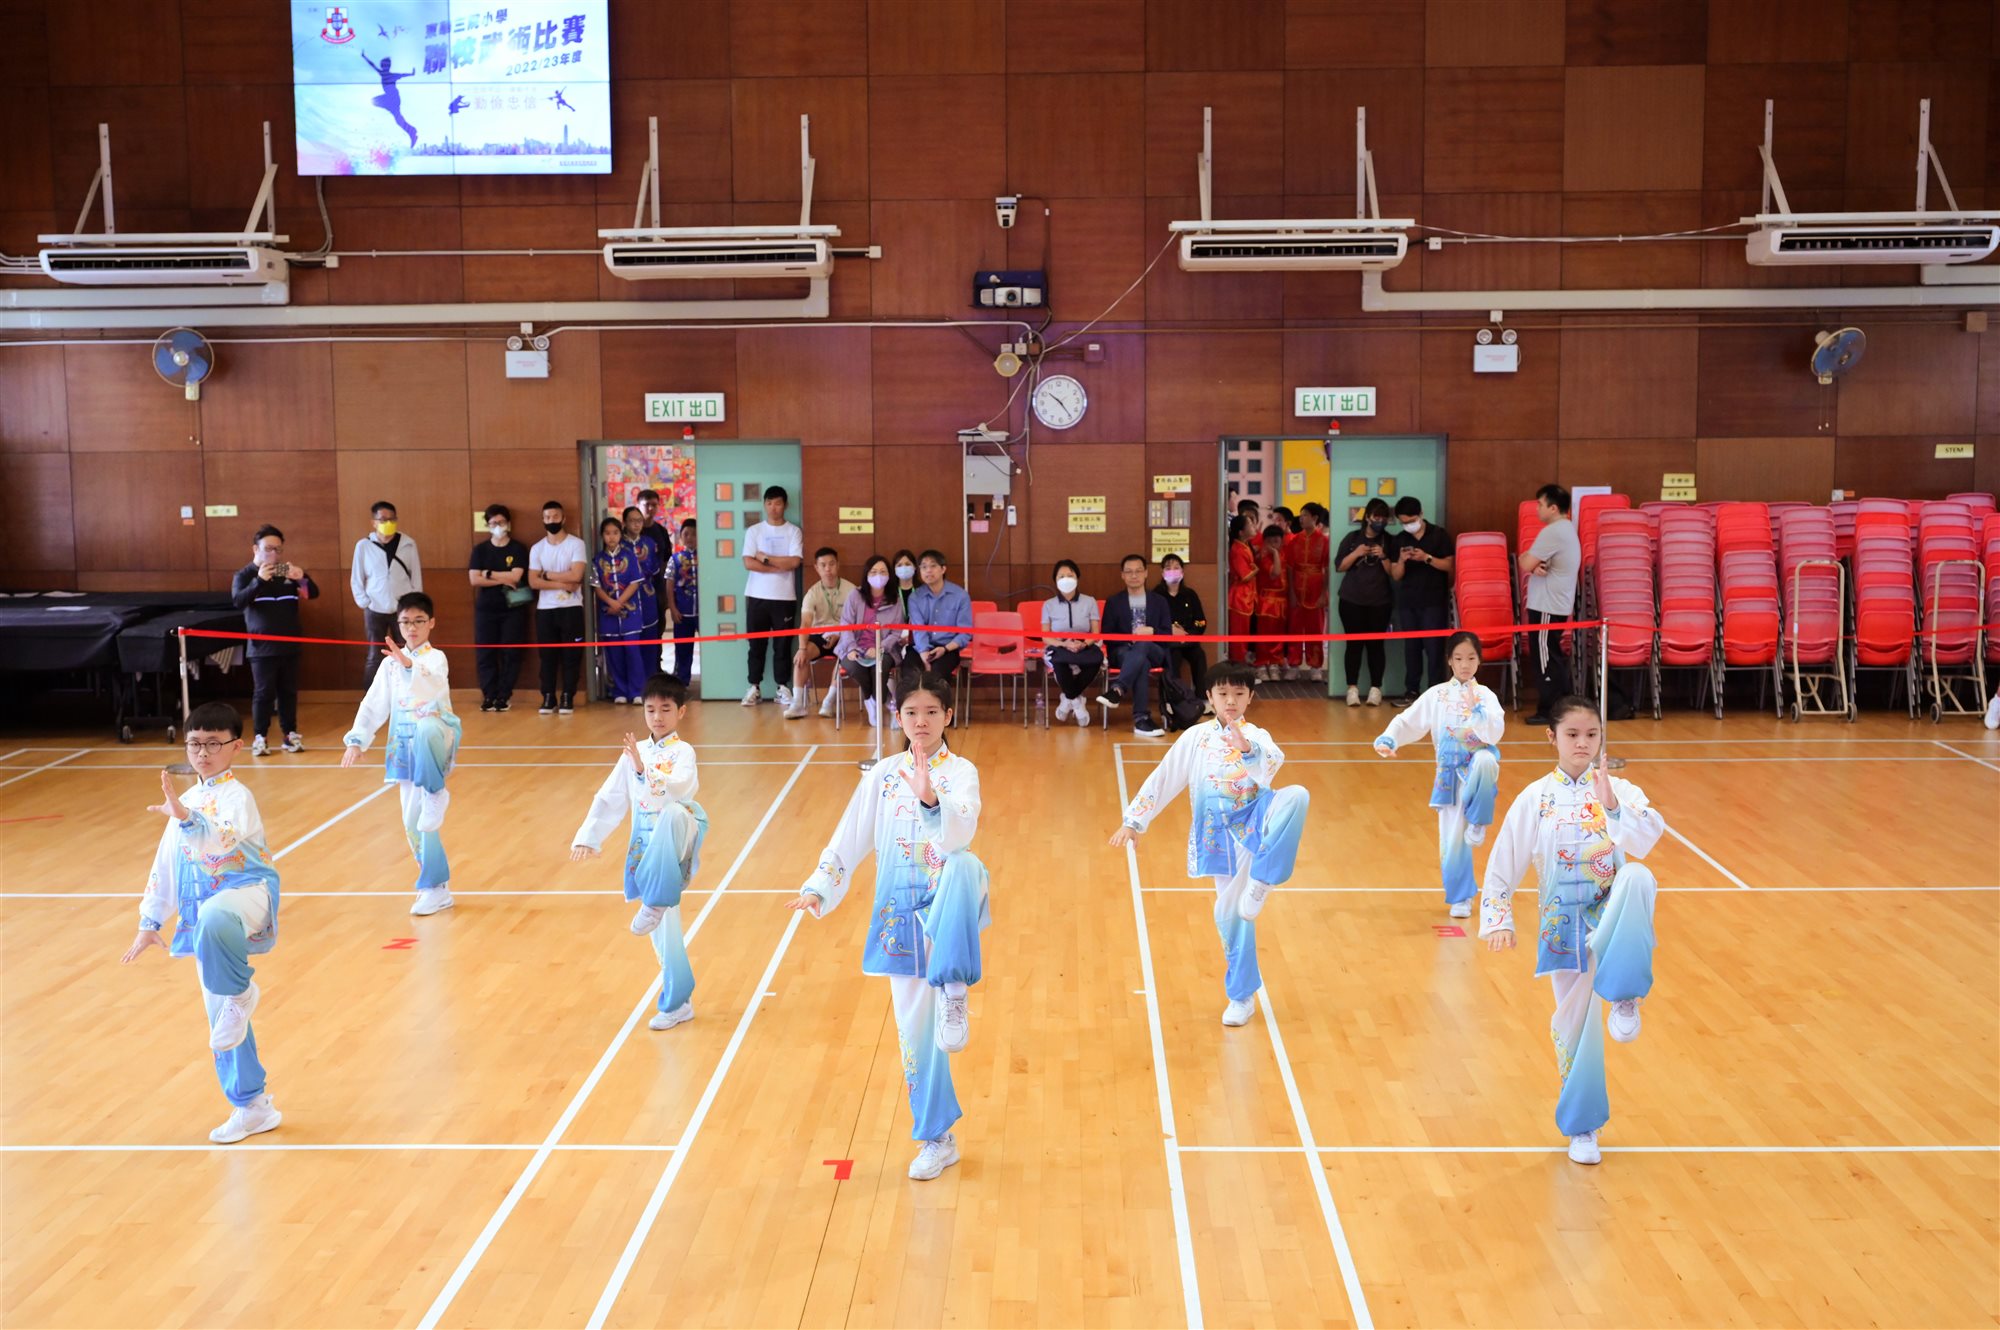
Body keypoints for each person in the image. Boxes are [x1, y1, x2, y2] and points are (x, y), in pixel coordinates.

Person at [789, 672, 992, 1181]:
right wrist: (819, 885)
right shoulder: (881, 775)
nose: (921, 722)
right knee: (916, 1037)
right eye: (911, 713)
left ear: (948, 716)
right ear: (897, 717)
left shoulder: (961, 772)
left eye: (931, 712)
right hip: (899, 921)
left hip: (948, 909)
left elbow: (962, 830)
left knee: (965, 864)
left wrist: (930, 798)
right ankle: (937, 1138)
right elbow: (850, 836)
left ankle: (954, 984)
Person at [1480, 695, 1662, 1166]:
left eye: (1592, 735)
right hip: (1562, 930)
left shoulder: (1621, 789)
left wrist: (1613, 805)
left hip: (1611, 918)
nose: (1583, 743)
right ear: (1552, 737)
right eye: (1572, 734)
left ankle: (1624, 994)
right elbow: (1505, 859)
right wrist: (1499, 917)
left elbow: (1648, 838)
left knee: (1638, 877)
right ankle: (1583, 1128)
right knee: (1573, 1028)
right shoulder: (1535, 798)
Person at [1109, 661, 1310, 1027]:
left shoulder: (1258, 735)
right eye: (1223, 693)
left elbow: (1270, 766)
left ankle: (1263, 879)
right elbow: (1165, 777)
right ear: (1210, 697)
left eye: (1238, 693)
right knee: (1230, 916)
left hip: (1255, 824)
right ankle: (1241, 997)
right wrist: (1134, 820)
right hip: (1218, 839)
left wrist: (1246, 748)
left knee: (1297, 796)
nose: (1230, 700)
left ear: (1250, 698)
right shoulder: (1195, 738)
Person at [120, 701, 284, 1144]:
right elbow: (167, 865)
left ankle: (242, 991)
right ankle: (252, 1106)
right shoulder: (185, 802)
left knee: (216, 918)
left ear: (236, 746)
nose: (203, 753)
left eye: (213, 744)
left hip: (248, 895)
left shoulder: (237, 796)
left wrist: (187, 817)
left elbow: (222, 838)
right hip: (204, 913)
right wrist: (150, 919)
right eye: (195, 744)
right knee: (223, 1020)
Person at [570, 674, 708, 1032]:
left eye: (666, 709)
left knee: (673, 813)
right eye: (650, 709)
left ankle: (657, 900)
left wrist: (644, 770)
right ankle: (679, 1002)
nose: (657, 716)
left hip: (679, 836)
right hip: (646, 850)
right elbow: (612, 796)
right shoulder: (635, 752)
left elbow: (680, 789)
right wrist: (589, 836)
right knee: (665, 935)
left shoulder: (683, 752)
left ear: (681, 711)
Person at [340, 592, 462, 917]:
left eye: (419, 621)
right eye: (405, 622)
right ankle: (435, 887)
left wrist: (407, 664)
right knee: (415, 822)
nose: (411, 628)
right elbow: (374, 704)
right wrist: (357, 740)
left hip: (437, 738)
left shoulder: (436, 658)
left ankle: (435, 791)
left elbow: (431, 687)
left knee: (426, 728)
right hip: (403, 750)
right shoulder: (388, 665)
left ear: (431, 623)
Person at [1372, 631, 1504, 918]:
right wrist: (1389, 739)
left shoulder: (1486, 696)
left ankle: (1479, 820)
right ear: (1449, 661)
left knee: (1484, 760)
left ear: (1479, 661)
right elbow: (1408, 722)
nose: (1465, 664)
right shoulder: (1436, 695)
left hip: (1476, 772)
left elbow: (1495, 733)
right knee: (1452, 840)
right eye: (1459, 658)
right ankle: (1461, 897)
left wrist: (1478, 712)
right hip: (1448, 777)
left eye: (1471, 658)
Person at [231, 524, 318, 755]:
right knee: (263, 693)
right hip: (261, 648)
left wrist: (302, 578)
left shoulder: (285, 572)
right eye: (268, 549)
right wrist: (259, 581)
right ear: (255, 549)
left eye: (278, 550)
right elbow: (238, 601)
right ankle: (260, 737)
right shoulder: (244, 575)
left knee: (288, 692)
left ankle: (290, 735)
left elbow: (312, 593)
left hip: (290, 645)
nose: (274, 554)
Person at [1519, 483, 1580, 727]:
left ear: (1553, 508)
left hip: (1547, 605)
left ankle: (1549, 709)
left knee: (1545, 658)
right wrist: (1532, 563)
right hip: (1554, 603)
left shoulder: (1553, 532)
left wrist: (1529, 562)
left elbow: (1525, 562)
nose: (1537, 509)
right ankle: (1563, 706)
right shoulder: (1566, 529)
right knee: (1551, 654)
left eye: (1540, 504)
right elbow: (1530, 562)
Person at [741, 486, 804, 707]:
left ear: (785, 505)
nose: (773, 507)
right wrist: (779, 565)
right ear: (764, 505)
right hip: (756, 596)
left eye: (777, 503)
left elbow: (794, 562)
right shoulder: (754, 531)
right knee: (756, 644)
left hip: (784, 597)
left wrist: (766, 559)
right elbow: (748, 562)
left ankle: (782, 687)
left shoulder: (793, 531)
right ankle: (754, 687)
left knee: (783, 645)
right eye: (769, 503)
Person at [349, 500, 422, 691]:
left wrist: (414, 605)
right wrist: (365, 602)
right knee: (375, 656)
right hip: (374, 609)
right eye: (382, 519)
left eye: (391, 519)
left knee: (406, 652)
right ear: (373, 522)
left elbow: (416, 577)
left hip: (403, 611)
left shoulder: (408, 544)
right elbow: (356, 579)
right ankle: (372, 697)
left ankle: (407, 694)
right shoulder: (364, 546)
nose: (387, 523)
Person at [1099, 553, 1173, 739]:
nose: (1134, 575)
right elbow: (1107, 635)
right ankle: (1141, 719)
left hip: (1155, 650)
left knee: (1144, 643)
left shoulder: (1159, 601)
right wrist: (1130, 639)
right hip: (1123, 651)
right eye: (1129, 572)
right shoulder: (1114, 602)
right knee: (1141, 662)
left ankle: (1118, 689)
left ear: (1146, 573)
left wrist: (1152, 632)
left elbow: (1167, 635)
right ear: (1122, 575)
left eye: (1138, 571)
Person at [1390, 496, 1455, 705]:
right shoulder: (1399, 539)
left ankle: (1437, 693)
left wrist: (1427, 557)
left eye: (1411, 521)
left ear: (1420, 515)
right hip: (1408, 602)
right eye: (1404, 522)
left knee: (1434, 648)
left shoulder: (1439, 535)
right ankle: (1412, 691)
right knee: (1411, 648)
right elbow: (1396, 575)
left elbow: (1449, 566)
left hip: (1433, 601)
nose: (1408, 525)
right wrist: (1402, 560)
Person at [467, 504, 531, 713]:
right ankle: (489, 695)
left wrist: (487, 573)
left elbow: (516, 577)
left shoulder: (518, 549)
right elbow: (474, 579)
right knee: (485, 653)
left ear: (508, 524)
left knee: (511, 653)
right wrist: (501, 577)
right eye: (493, 523)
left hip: (513, 609)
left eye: (501, 522)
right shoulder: (480, 550)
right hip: (486, 610)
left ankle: (504, 695)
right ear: (487, 525)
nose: (497, 526)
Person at [1334, 499, 1397, 706]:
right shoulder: (1352, 538)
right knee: (1353, 645)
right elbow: (1340, 566)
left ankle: (1375, 689)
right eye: (1376, 516)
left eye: (1384, 517)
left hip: (1380, 602)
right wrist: (1357, 553)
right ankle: (1352, 689)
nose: (1380, 521)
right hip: (1351, 600)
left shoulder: (1389, 540)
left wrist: (1383, 556)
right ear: (1368, 517)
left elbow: (1394, 573)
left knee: (1376, 646)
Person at [529, 500, 587, 716]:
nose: (551, 521)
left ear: (563, 519)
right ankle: (548, 696)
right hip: (545, 610)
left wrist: (546, 575)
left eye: (554, 517)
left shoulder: (576, 544)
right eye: (547, 517)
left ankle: (568, 695)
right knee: (547, 656)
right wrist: (563, 584)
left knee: (572, 655)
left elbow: (576, 575)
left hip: (571, 608)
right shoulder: (537, 548)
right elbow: (533, 581)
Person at [836, 555, 906, 728]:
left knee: (879, 668)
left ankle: (878, 700)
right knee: (854, 667)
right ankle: (875, 700)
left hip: (884, 649)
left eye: (883, 572)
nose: (878, 576)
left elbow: (896, 632)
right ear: (866, 575)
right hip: (855, 647)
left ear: (889, 575)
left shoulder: (895, 600)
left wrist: (880, 648)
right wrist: (851, 648)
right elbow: (846, 624)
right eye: (873, 572)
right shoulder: (855, 595)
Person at [785, 547, 855, 720]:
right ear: (816, 568)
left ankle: (828, 702)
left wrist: (839, 634)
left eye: (831, 564)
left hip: (844, 635)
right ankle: (798, 704)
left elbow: (856, 622)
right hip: (820, 636)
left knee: (845, 657)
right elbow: (805, 623)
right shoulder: (812, 593)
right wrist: (802, 648)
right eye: (823, 565)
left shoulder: (852, 590)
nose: (828, 569)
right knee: (801, 656)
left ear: (838, 565)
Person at [594, 517, 651, 705]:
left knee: (632, 650)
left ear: (621, 534)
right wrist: (610, 602)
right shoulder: (597, 560)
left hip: (630, 613)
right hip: (608, 614)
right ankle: (619, 690)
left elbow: (635, 583)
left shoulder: (629, 556)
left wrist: (619, 602)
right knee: (614, 653)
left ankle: (637, 691)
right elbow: (596, 587)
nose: (611, 537)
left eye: (615, 533)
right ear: (602, 536)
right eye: (607, 533)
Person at [1041, 559, 1103, 727]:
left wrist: (1084, 643)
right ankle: (1076, 701)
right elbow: (1045, 636)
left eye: (1070, 575)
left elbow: (1095, 632)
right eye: (1061, 576)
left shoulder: (1090, 601)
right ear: (1055, 580)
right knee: (1059, 662)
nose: (1066, 579)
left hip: (1084, 644)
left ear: (1077, 578)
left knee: (1096, 660)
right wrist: (1064, 644)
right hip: (1059, 645)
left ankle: (1068, 698)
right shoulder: (1048, 605)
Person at [908, 549, 974, 682]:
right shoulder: (915, 597)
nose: (928, 570)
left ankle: (940, 697)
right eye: (924, 567)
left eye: (933, 566)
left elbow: (965, 632)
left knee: (937, 675)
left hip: (948, 648)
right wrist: (924, 654)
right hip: (921, 648)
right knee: (910, 674)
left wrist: (945, 649)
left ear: (943, 569)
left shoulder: (960, 596)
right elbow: (918, 629)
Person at [1283, 504, 1330, 682]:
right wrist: (1291, 592)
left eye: (1305, 515)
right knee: (1295, 627)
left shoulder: (1324, 541)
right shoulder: (1294, 540)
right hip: (1297, 585)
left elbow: (1327, 569)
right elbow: (1289, 568)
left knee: (1315, 628)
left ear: (1315, 518)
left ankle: (1315, 666)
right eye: (1301, 515)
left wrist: (1323, 594)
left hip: (1316, 587)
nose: (1301, 518)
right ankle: (1294, 665)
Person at [1156, 553, 1209, 698]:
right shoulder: (1156, 595)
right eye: (1168, 568)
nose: (1172, 571)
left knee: (1199, 656)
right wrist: (1170, 631)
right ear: (1162, 573)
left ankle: (1202, 697)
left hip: (1188, 641)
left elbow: (1201, 621)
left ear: (1182, 572)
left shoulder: (1190, 594)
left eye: (1176, 568)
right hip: (1168, 643)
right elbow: (1152, 622)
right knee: (1174, 656)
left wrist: (1188, 635)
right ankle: (1175, 699)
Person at [622, 505, 663, 660]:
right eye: (632, 520)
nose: (636, 524)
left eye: (639, 520)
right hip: (626, 597)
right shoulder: (619, 545)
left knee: (650, 641)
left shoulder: (649, 543)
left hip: (647, 595)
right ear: (624, 522)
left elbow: (655, 569)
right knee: (630, 645)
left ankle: (650, 673)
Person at [1253, 524, 1290, 679]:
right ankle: (1262, 663)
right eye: (1270, 541)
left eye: (1277, 541)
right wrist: (1274, 553)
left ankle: (1275, 662)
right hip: (1267, 600)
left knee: (1278, 634)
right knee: (1264, 633)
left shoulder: (1285, 555)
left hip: (1282, 601)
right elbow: (1275, 573)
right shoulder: (1263, 557)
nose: (1274, 544)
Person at [666, 518, 699, 686]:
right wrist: (672, 608)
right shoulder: (675, 559)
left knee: (710, 646)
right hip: (682, 612)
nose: (690, 537)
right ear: (680, 537)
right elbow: (669, 584)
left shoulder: (706, 557)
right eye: (686, 534)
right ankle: (682, 680)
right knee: (683, 648)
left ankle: (713, 681)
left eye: (694, 534)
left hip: (703, 612)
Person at [1226, 515, 1258, 665]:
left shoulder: (1245, 546)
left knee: (1244, 633)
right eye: (1250, 524)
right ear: (1241, 532)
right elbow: (1244, 576)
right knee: (1239, 635)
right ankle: (1238, 666)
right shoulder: (1237, 549)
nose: (1253, 527)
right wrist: (1256, 569)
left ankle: (1242, 662)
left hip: (1246, 595)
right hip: (1239, 597)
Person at [890, 549, 921, 620]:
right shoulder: (890, 591)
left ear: (915, 567)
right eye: (899, 565)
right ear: (894, 569)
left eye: (907, 564)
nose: (903, 568)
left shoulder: (922, 590)